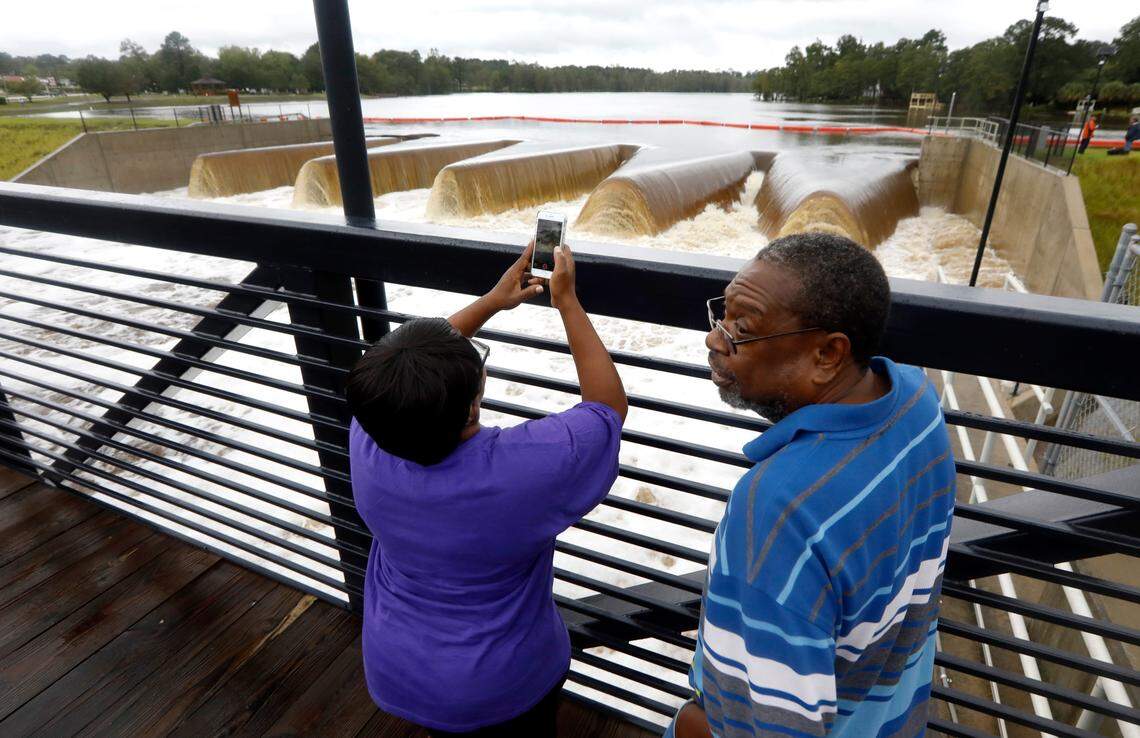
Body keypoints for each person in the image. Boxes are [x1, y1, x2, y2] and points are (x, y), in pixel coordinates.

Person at [667, 233, 956, 738]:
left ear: (828, 353)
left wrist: (698, 724)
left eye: (741, 328)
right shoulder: (915, 400)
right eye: (721, 314)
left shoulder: (776, 512)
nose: (715, 339)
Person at [347, 241, 627, 737]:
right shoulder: (523, 469)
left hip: (401, 668)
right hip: (501, 684)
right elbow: (607, 407)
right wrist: (568, 302)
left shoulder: (371, 434)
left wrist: (492, 301)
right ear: (472, 406)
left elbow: (401, 375)